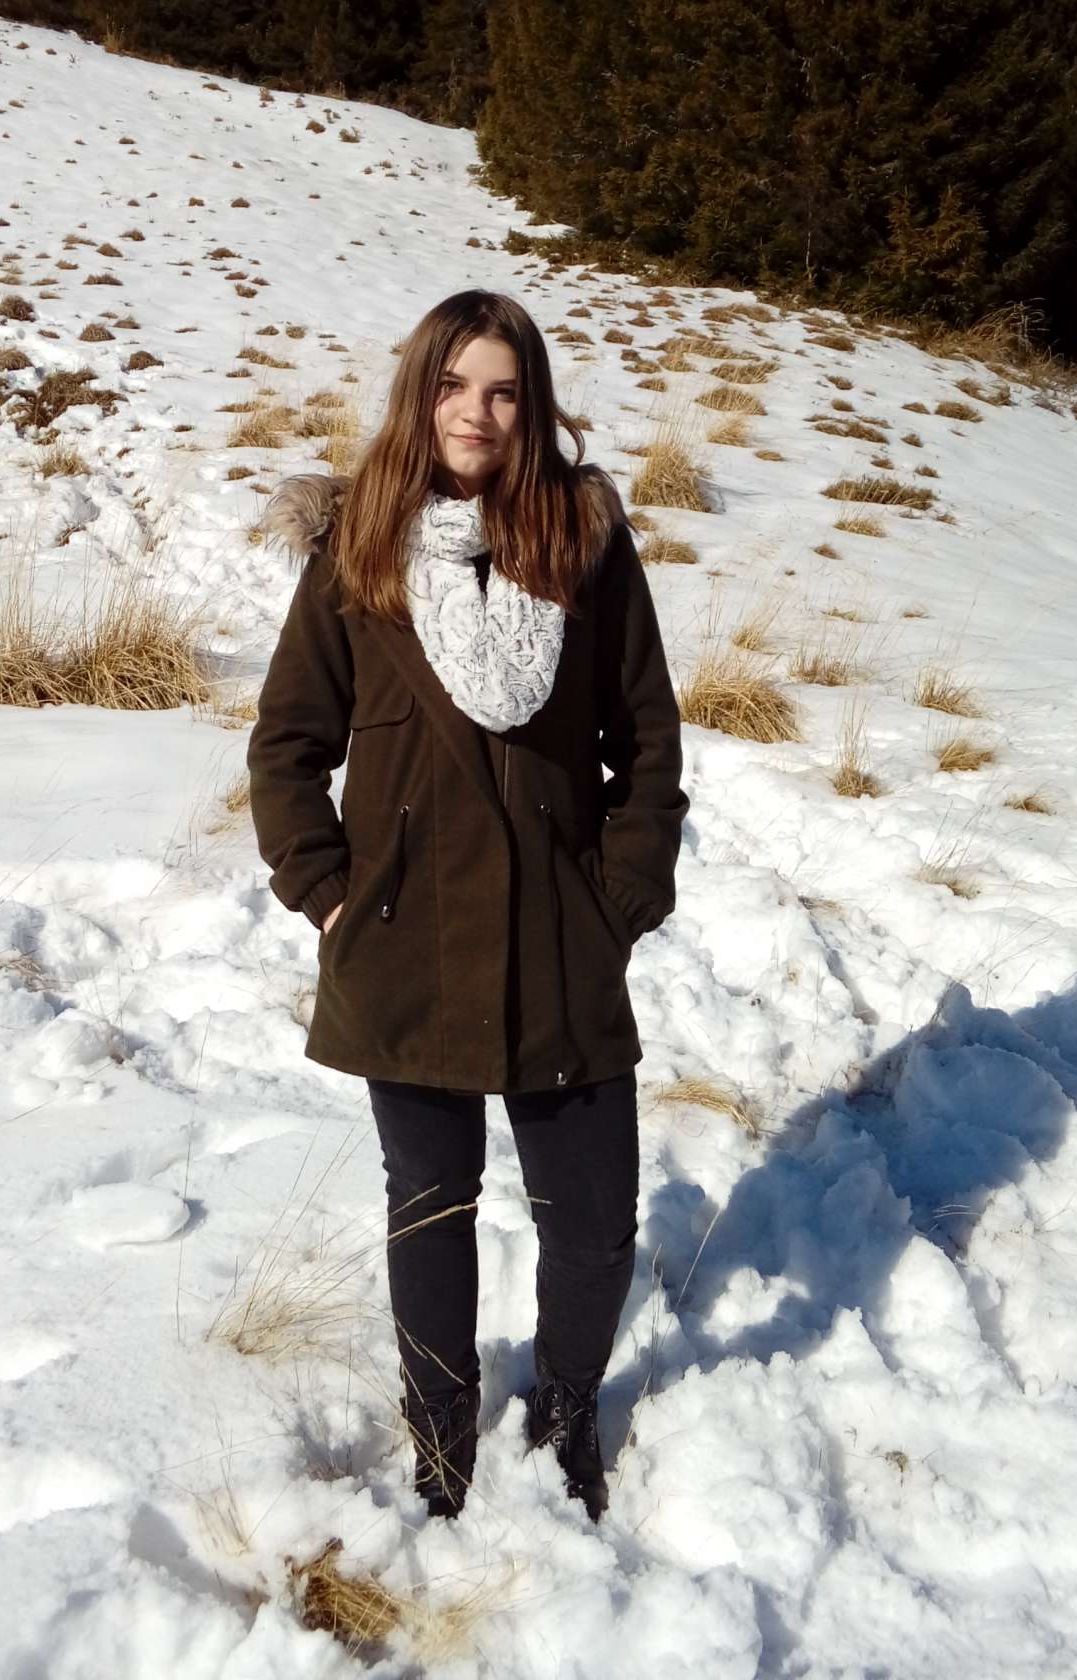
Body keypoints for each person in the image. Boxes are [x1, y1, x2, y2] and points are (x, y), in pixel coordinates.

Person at [247, 289, 687, 1522]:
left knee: (593, 1220)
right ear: (420, 392)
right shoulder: (359, 550)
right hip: (406, 938)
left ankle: (565, 1408)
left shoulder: (583, 543)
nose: (477, 413)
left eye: (502, 390)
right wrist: (327, 893)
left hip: (560, 936)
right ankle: (440, 1429)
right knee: (431, 1206)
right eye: (454, 385)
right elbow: (287, 745)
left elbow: (647, 740)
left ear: (531, 404)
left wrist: (621, 896)